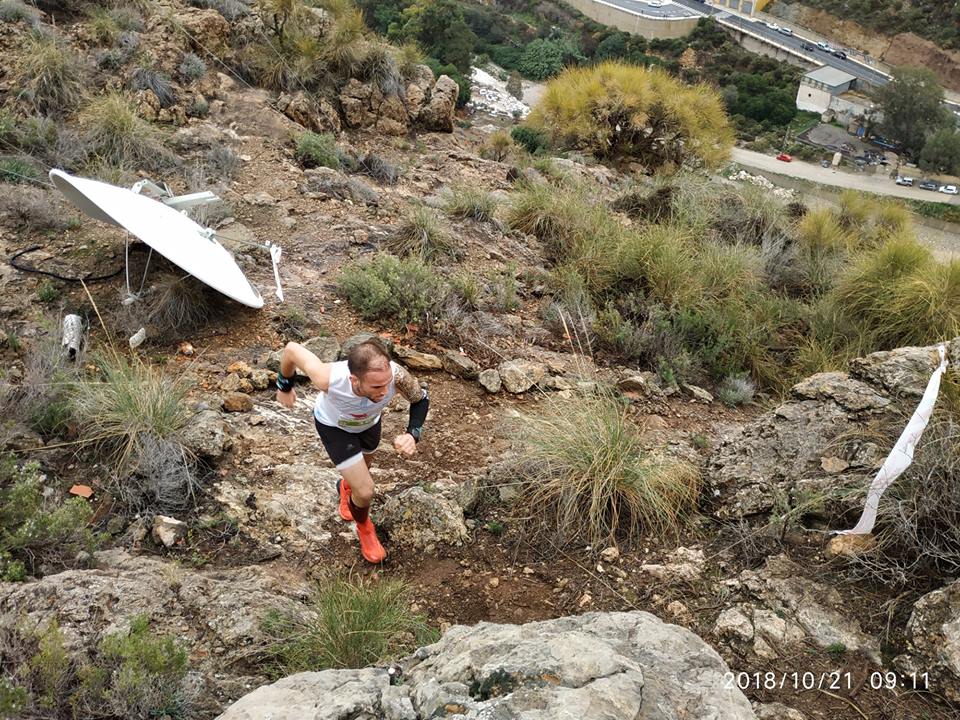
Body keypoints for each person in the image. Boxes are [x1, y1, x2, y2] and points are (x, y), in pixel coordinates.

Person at [275, 338, 429, 563]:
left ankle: (345, 487)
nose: (385, 391)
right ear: (354, 380)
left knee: (361, 474)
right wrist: (284, 386)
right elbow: (291, 350)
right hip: (334, 427)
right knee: (365, 491)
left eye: (387, 384)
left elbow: (420, 399)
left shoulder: (398, 376)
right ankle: (364, 527)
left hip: (369, 424)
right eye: (376, 387)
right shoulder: (328, 378)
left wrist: (412, 434)